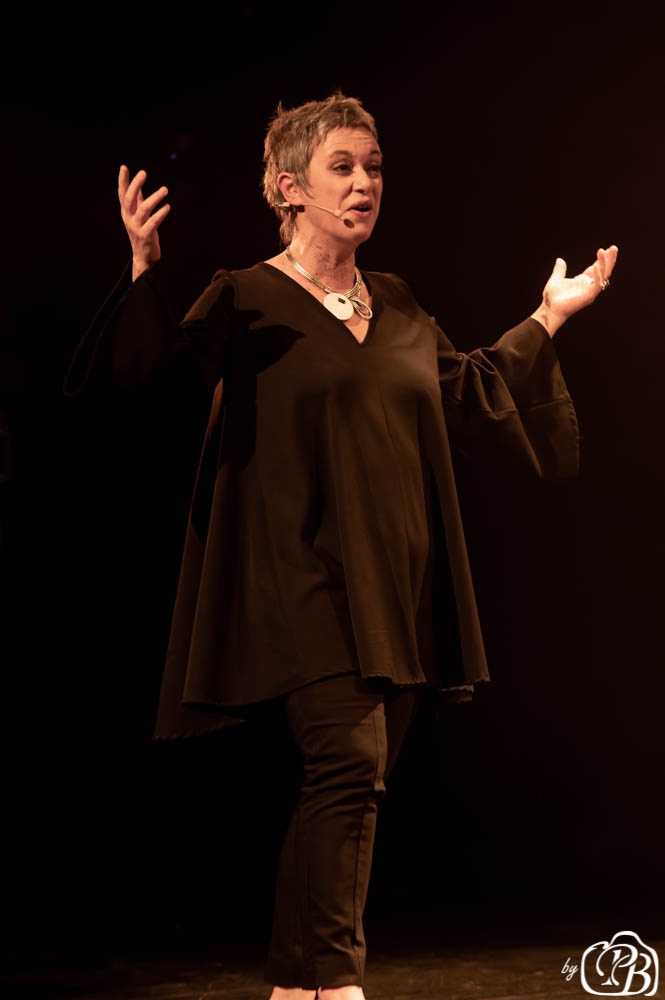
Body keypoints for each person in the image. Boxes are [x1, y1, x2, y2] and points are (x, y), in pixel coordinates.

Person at [64, 93, 617, 1000]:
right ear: (290, 188)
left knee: (350, 780)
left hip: (392, 584)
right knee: (350, 764)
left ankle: (298, 985)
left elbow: (469, 389)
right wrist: (141, 272)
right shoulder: (245, 295)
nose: (365, 183)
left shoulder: (394, 302)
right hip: (298, 577)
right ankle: (336, 980)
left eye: (374, 166)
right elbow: (152, 384)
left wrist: (548, 317)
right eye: (343, 167)